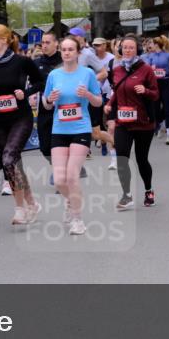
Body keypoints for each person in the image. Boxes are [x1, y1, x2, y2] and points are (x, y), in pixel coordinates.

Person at [0, 24, 43, 225]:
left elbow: (41, 82)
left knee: (8, 158)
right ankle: (32, 202)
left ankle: (20, 209)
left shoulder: (22, 62)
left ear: (5, 40)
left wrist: (27, 93)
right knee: (14, 162)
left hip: (20, 117)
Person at [42, 35, 103, 235]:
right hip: (59, 129)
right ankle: (70, 200)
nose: (67, 52)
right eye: (64, 49)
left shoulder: (87, 74)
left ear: (78, 52)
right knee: (59, 180)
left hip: (80, 128)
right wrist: (50, 100)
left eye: (70, 49)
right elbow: (46, 103)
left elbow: (98, 102)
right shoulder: (54, 75)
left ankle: (77, 220)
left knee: (72, 176)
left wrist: (88, 95)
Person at [104, 35, 159, 209]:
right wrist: (109, 105)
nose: (127, 50)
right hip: (123, 122)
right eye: (125, 47)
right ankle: (126, 195)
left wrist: (145, 90)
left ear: (137, 50)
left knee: (142, 160)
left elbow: (156, 94)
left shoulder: (146, 70)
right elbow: (116, 91)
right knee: (122, 159)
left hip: (143, 123)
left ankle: (148, 190)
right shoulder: (117, 70)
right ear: (120, 50)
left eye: (131, 48)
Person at [33, 31, 63, 181]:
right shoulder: (37, 63)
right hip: (45, 108)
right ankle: (58, 166)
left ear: (56, 43)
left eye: (47, 42)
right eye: (42, 43)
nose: (44, 46)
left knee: (61, 143)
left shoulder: (65, 61)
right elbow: (31, 84)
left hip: (64, 109)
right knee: (45, 147)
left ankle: (59, 172)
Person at [82, 37, 116, 169]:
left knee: (97, 131)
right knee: (83, 128)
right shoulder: (88, 56)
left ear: (105, 45)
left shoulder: (110, 58)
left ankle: (116, 144)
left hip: (103, 93)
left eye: (98, 45)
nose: (96, 47)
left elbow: (105, 75)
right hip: (82, 98)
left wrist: (90, 80)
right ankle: (85, 151)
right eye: (94, 45)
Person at [144, 36, 169, 144]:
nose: (150, 46)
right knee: (156, 109)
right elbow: (147, 68)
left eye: (152, 44)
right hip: (155, 84)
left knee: (167, 108)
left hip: (166, 82)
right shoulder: (151, 56)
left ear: (156, 45)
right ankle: (161, 123)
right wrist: (150, 69)